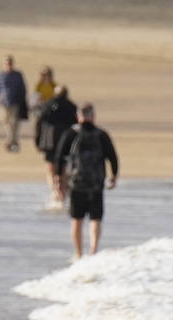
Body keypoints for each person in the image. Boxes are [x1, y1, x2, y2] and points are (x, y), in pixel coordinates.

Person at [52, 103, 119, 259]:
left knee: (77, 219)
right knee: (95, 218)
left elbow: (59, 158)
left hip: (76, 183)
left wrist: (58, 179)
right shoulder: (101, 135)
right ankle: (94, 250)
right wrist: (113, 176)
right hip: (96, 183)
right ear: (92, 116)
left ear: (78, 116)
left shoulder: (71, 134)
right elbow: (112, 157)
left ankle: (78, 253)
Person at [34, 84, 78, 208]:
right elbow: (76, 126)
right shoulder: (71, 106)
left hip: (49, 141)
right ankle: (62, 192)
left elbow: (39, 123)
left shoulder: (47, 105)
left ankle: (55, 191)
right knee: (63, 166)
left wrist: (38, 141)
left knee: (51, 166)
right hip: (66, 141)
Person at [0, 55, 28, 152]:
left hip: (15, 102)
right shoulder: (0, 75)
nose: (8, 65)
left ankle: (11, 142)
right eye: (6, 63)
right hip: (4, 103)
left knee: (14, 123)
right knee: (6, 122)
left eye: (10, 63)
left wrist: (23, 101)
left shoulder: (18, 75)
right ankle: (13, 141)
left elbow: (23, 89)